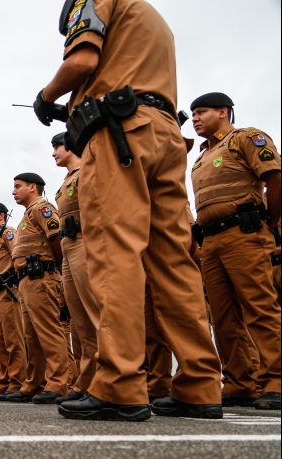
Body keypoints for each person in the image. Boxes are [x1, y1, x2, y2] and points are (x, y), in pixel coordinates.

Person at [36, 0, 222, 421]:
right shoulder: (154, 18)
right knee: (174, 261)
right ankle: (201, 383)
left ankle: (119, 384)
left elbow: (83, 60)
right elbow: (125, 76)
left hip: (120, 135)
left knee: (115, 252)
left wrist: (47, 97)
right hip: (165, 134)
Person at [189, 92, 281, 411]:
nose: (195, 118)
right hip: (211, 243)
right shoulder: (201, 157)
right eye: (193, 114)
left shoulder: (244, 138)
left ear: (223, 112)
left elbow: (274, 178)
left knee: (260, 307)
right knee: (224, 318)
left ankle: (275, 381)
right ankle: (240, 383)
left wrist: (270, 223)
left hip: (245, 233)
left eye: (202, 112)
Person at [9, 174, 71, 404]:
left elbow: (57, 239)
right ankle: (34, 383)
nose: (13, 191)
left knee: (48, 331)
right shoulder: (27, 215)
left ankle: (57, 384)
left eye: (18, 187)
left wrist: (51, 267)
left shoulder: (42, 208)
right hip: (26, 280)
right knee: (31, 336)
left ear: (32, 187)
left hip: (41, 276)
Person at [51, 132, 99, 403]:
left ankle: (104, 376)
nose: (54, 152)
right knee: (80, 320)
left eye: (57, 146)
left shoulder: (87, 172)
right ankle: (88, 378)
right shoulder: (65, 182)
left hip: (85, 244)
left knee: (95, 313)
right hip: (69, 250)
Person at [0, 202, 27, 401]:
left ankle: (18, 383)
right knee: (0, 342)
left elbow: (18, 256)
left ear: (1, 216)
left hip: (8, 291)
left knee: (13, 340)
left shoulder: (8, 232)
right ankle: (5, 382)